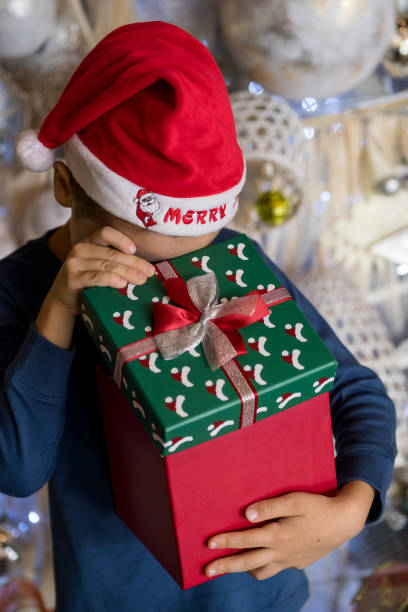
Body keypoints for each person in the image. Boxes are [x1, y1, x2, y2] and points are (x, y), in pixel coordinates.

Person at [1, 21, 396, 612]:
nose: (177, 283)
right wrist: (60, 308)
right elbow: (18, 468)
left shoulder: (233, 256)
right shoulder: (21, 291)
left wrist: (353, 507)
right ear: (64, 182)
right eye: (140, 257)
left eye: (197, 255)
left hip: (266, 597)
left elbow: (354, 390)